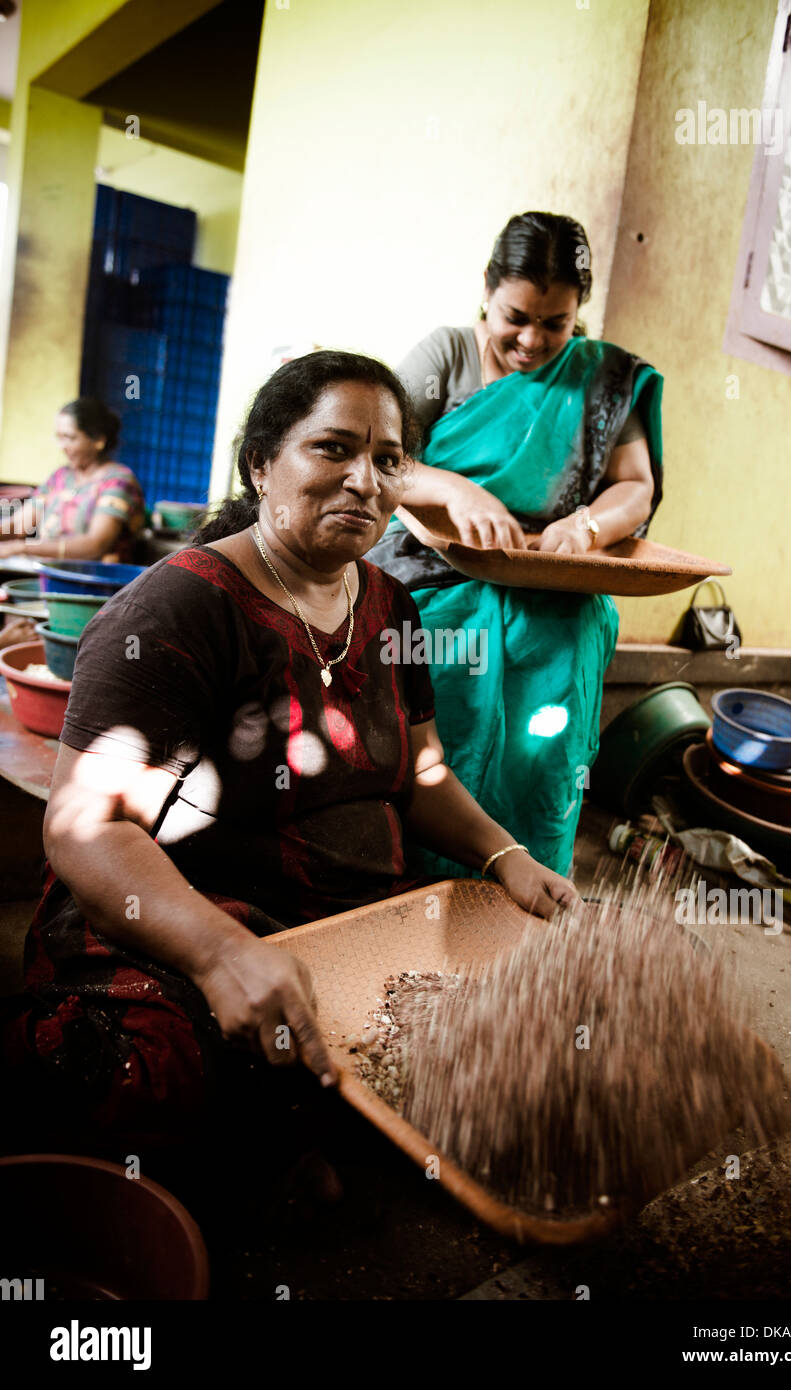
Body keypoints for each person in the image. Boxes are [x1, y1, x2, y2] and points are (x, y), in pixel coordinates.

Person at [0, 351, 576, 1153]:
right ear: (261, 464)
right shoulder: (176, 610)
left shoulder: (389, 606)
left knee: (537, 1032)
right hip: (189, 911)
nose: (364, 481)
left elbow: (423, 771)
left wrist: (505, 856)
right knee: (156, 1076)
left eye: (386, 460)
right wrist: (219, 951)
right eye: (333, 449)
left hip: (346, 914)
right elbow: (84, 831)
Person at [366, 211, 664, 878]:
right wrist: (457, 492)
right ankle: (414, 873)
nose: (531, 340)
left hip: (550, 580)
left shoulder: (600, 381)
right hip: (429, 569)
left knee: (569, 643)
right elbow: (381, 458)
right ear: (487, 290)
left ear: (577, 312)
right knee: (447, 656)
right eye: (515, 317)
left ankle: (527, 870)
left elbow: (634, 488)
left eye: (554, 323)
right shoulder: (444, 355)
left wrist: (583, 527)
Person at [0, 397, 146, 649]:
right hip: (46, 582)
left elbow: (95, 545)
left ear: (98, 440)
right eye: (59, 437)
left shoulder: (118, 482)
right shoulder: (60, 477)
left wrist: (22, 548)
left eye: (70, 437)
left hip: (91, 593)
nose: (62, 445)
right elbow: (20, 524)